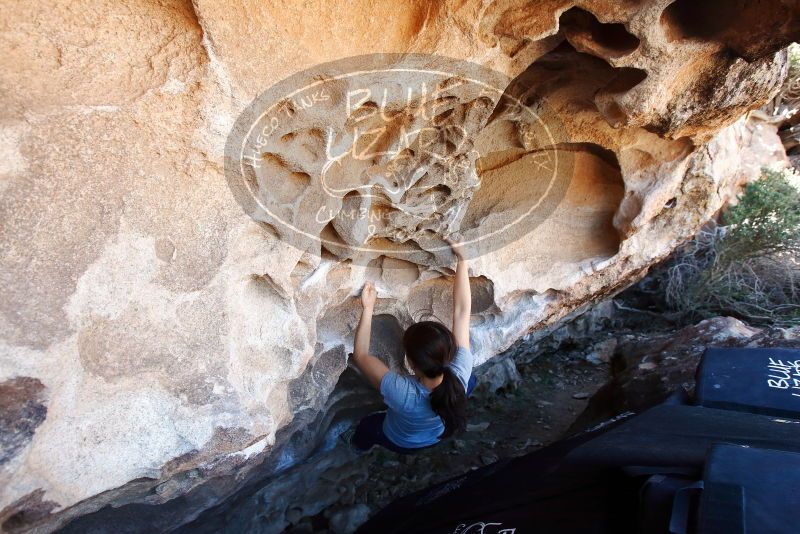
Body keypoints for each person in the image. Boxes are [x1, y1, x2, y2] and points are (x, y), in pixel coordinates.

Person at [345, 236, 475, 454]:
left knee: (368, 426)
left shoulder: (403, 394)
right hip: (434, 436)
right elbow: (462, 313)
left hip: (402, 441)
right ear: (448, 351)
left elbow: (361, 356)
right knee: (470, 381)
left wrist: (367, 309)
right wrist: (463, 258)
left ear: (411, 364)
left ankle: (358, 447)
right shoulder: (461, 372)